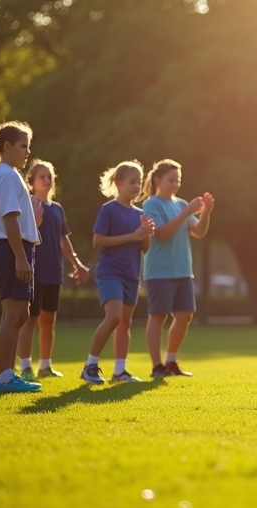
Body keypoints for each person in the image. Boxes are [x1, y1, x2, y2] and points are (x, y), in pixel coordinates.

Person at [139, 159, 215, 379]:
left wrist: (206, 213)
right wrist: (187, 212)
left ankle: (171, 361)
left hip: (182, 270)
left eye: (178, 180)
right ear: (157, 180)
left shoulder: (181, 204)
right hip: (160, 270)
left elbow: (198, 232)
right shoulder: (151, 204)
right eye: (171, 180)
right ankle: (157, 366)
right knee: (158, 316)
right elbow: (160, 233)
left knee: (184, 316)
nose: (175, 184)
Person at [80, 161, 154, 385]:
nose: (137, 186)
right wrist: (132, 235)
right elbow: (97, 240)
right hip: (110, 272)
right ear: (119, 183)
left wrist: (146, 233)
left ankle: (119, 371)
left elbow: (144, 248)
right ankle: (90, 366)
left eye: (139, 182)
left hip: (132, 274)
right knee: (113, 317)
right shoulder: (109, 209)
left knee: (125, 323)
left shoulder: (140, 213)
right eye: (132, 182)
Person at [15, 160, 90, 382]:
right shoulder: (27, 205)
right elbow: (21, 235)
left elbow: (62, 239)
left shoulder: (57, 209)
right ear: (31, 181)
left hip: (53, 272)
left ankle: (45, 366)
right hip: (32, 271)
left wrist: (77, 263)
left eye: (50, 177)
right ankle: (26, 366)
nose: (47, 180)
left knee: (48, 321)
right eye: (42, 177)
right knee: (30, 319)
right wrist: (35, 221)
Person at [0, 121, 42, 394]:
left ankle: (8, 375)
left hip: (15, 249)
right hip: (11, 250)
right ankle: (4, 378)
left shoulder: (9, 174)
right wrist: (20, 257)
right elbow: (9, 218)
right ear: (7, 147)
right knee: (14, 313)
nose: (27, 152)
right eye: (23, 146)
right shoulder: (7, 175)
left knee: (20, 314)